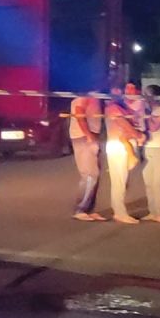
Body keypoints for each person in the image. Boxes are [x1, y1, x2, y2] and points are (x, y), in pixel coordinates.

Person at [103, 84, 146, 224]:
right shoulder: (112, 108)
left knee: (122, 181)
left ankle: (119, 210)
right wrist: (138, 135)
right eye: (114, 92)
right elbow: (123, 123)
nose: (118, 94)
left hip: (123, 145)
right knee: (119, 181)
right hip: (118, 145)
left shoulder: (123, 107)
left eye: (119, 91)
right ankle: (119, 212)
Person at [138, 82, 160, 224]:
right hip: (146, 146)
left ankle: (159, 213)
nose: (145, 97)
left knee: (156, 181)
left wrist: (147, 115)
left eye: (148, 94)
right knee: (147, 181)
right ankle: (151, 211)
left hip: (158, 147)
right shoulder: (144, 109)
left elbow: (153, 127)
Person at [69, 91, 105, 221]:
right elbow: (79, 114)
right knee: (90, 174)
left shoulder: (95, 96)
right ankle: (80, 209)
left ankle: (89, 209)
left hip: (91, 135)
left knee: (95, 174)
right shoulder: (84, 96)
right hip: (84, 137)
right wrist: (88, 135)